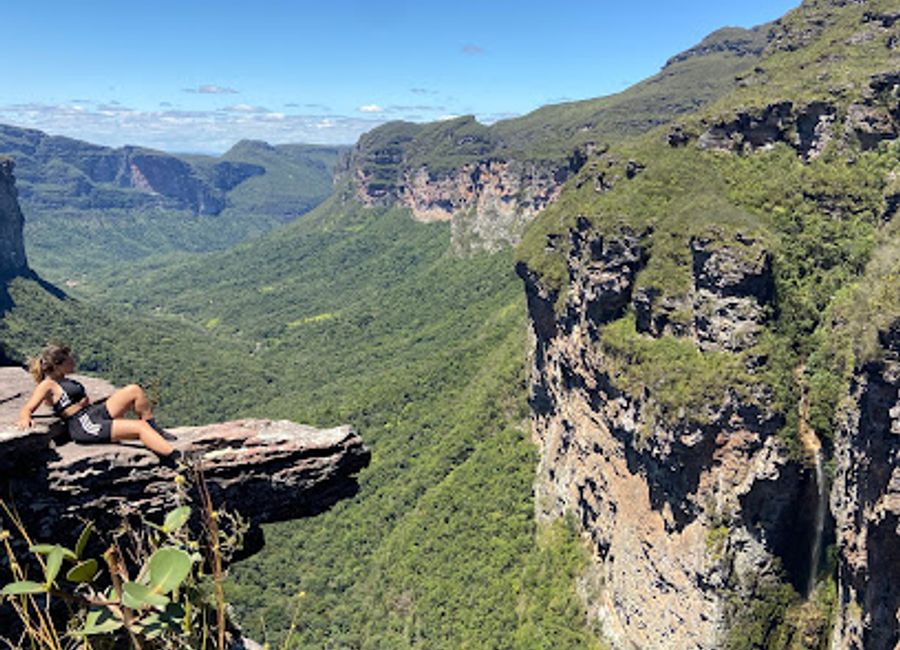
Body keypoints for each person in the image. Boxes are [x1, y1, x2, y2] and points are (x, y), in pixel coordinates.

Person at [16, 344, 181, 462]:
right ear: (58, 366)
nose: (73, 362)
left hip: (93, 413)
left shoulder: (64, 380)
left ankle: (155, 430)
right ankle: (178, 458)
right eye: (69, 361)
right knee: (139, 428)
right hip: (83, 425)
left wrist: (81, 403)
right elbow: (28, 408)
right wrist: (25, 418)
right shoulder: (47, 385)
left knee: (134, 390)